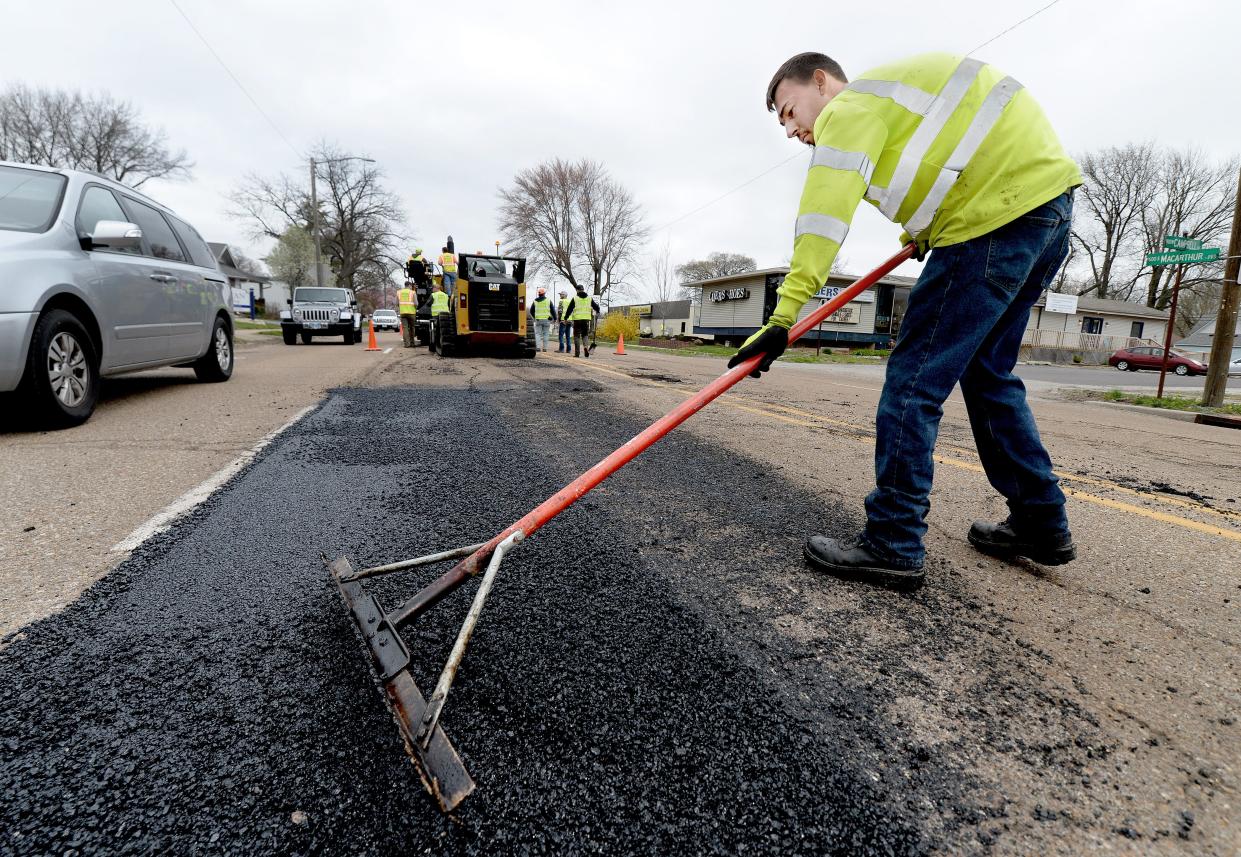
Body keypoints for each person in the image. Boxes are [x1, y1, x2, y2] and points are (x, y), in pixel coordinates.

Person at [727, 51, 1081, 589]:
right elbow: (942, 161)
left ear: (820, 83)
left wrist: (782, 316)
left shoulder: (849, 110)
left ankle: (893, 542)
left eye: (788, 110)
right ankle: (1040, 522)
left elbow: (823, 220)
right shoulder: (890, 101)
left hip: (989, 220)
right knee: (988, 374)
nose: (791, 129)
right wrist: (923, 231)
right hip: (1045, 211)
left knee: (913, 381)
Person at [565, 286, 600, 358]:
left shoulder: (575, 298)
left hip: (577, 320)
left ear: (577, 290)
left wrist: (566, 317)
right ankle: (586, 347)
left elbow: (569, 309)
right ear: (583, 290)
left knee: (576, 336)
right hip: (586, 320)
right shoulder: (589, 298)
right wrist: (598, 311)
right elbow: (596, 307)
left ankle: (577, 353)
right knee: (585, 335)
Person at [528, 286, 557, 352]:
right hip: (546, 320)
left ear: (539, 294)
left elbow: (531, 311)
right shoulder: (548, 301)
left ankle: (538, 347)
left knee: (538, 334)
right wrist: (555, 318)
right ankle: (545, 348)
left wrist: (535, 317)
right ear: (544, 293)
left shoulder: (535, 301)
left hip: (538, 320)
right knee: (546, 334)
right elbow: (552, 310)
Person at [397, 280, 418, 348]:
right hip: (411, 313)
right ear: (409, 285)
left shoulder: (399, 292)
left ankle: (406, 344)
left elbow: (397, 303)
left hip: (403, 313)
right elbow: (416, 303)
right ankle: (412, 343)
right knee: (412, 327)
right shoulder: (412, 292)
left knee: (405, 328)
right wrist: (415, 308)